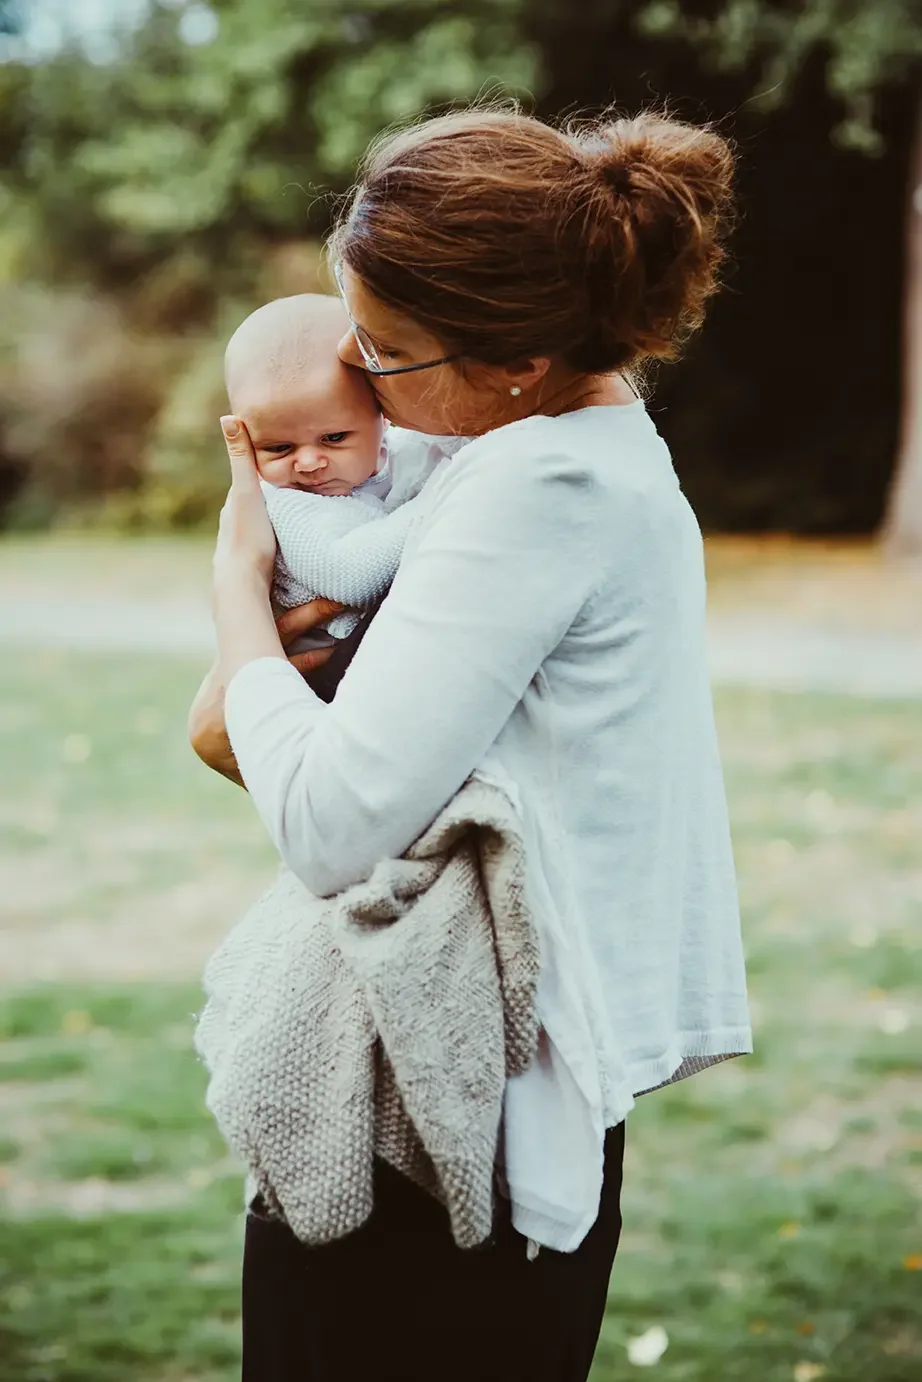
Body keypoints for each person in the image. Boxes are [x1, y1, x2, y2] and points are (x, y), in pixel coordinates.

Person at [189, 106, 752, 1382]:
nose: (367, 391)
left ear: (513, 359)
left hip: (444, 1109)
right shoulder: (581, 453)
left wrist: (239, 579)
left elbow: (328, 820)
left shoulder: (535, 489)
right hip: (480, 1083)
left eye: (384, 356)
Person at [223, 292, 463, 646]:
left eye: (333, 437)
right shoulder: (285, 505)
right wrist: (448, 491)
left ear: (382, 415)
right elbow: (350, 575)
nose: (308, 464)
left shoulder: (400, 448)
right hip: (326, 673)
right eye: (278, 448)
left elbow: (461, 445)